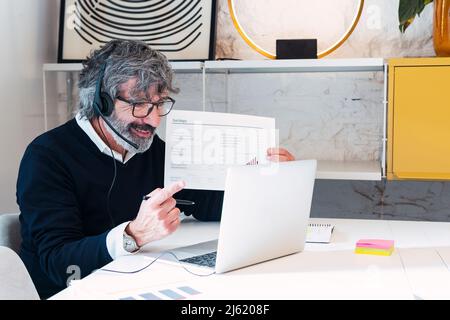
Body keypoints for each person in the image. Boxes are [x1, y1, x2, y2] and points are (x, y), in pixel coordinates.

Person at [16, 40, 295, 299]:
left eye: (159, 104)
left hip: (135, 282)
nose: (153, 119)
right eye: (139, 104)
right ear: (99, 101)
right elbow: (57, 262)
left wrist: (261, 179)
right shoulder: (47, 157)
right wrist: (133, 235)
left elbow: (206, 203)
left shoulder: (149, 147)